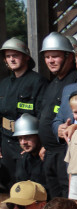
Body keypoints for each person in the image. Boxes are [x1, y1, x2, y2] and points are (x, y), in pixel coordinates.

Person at [37, 33, 77, 200]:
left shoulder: (76, 81)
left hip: (67, 152)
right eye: (47, 57)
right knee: (55, 200)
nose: (50, 61)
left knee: (69, 199)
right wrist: (45, 144)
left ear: (69, 57)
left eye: (55, 56)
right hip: (50, 152)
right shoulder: (53, 82)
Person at [0, 38, 45, 174]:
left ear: (26, 57)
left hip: (27, 144)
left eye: (15, 55)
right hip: (6, 141)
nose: (12, 59)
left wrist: (39, 144)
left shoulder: (38, 82)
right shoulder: (3, 84)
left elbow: (42, 116)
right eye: (8, 56)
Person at [12, 116, 44, 188]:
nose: (23, 142)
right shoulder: (22, 159)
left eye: (27, 137)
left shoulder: (47, 159)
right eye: (20, 138)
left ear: (38, 136)